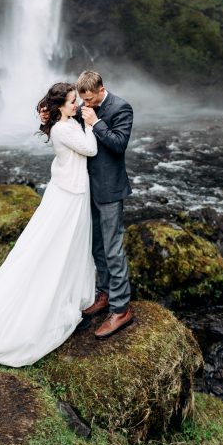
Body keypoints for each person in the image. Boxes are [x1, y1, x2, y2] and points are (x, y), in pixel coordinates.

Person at [0, 82, 97, 367]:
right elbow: (90, 150)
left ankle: (66, 294)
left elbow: (72, 123)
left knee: (59, 245)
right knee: (58, 247)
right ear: (60, 107)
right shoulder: (63, 128)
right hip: (70, 194)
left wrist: (76, 115)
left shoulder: (61, 123)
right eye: (71, 102)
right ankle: (50, 302)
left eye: (75, 101)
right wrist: (91, 125)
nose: (76, 105)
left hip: (67, 190)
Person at [75, 70, 135, 338]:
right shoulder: (84, 107)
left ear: (102, 89)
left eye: (90, 98)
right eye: (82, 99)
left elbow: (119, 145)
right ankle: (106, 293)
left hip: (110, 189)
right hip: (87, 188)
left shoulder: (121, 107)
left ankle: (121, 309)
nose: (86, 104)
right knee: (97, 245)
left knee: (113, 248)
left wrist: (97, 122)